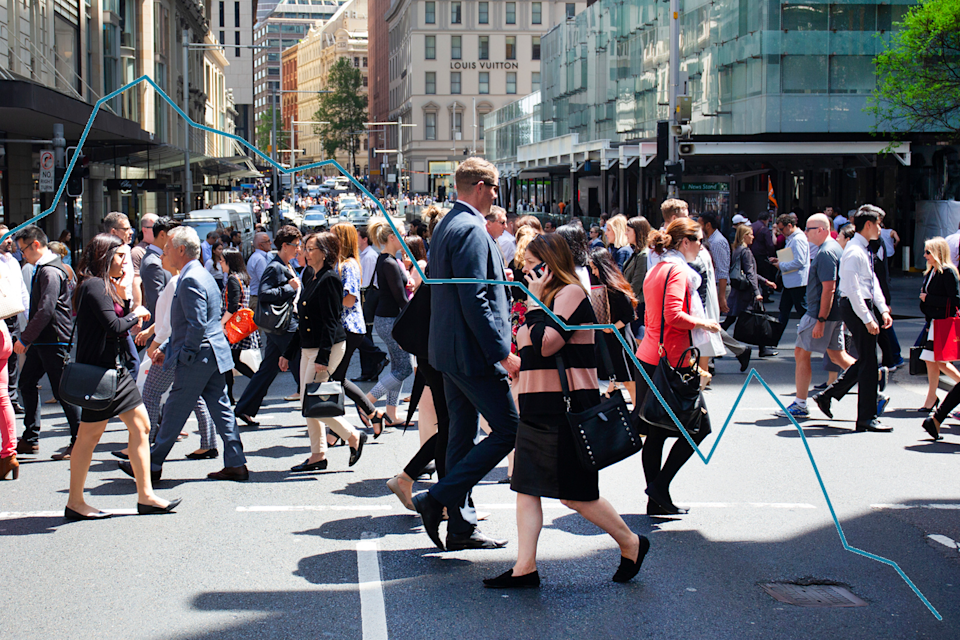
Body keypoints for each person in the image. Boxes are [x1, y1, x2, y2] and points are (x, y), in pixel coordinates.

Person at [483, 234, 649, 589]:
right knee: (525, 487)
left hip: (565, 408)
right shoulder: (543, 299)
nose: (524, 272)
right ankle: (524, 567)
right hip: (536, 405)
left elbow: (546, 345)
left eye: (530, 266)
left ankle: (630, 542)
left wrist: (531, 307)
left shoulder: (571, 294)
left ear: (548, 265)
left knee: (575, 493)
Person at [412, 157, 518, 552]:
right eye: (493, 187)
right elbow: (475, 298)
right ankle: (438, 499)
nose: (495, 194)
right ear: (479, 186)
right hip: (472, 353)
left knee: (461, 434)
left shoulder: (446, 225)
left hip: (449, 351)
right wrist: (500, 351)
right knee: (509, 430)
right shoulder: (471, 229)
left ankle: (460, 525)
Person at [120, 225, 249, 482]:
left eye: (167, 248)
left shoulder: (189, 278)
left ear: (180, 249)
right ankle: (235, 461)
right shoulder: (200, 274)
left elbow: (196, 324)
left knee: (176, 410)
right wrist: (169, 348)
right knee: (221, 409)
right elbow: (195, 323)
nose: (163, 252)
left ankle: (152, 463)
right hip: (211, 352)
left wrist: (181, 354)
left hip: (198, 354)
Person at [65, 233, 179, 519]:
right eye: (119, 257)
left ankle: (146, 495)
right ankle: (75, 502)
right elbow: (114, 326)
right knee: (88, 437)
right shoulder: (93, 286)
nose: (124, 263)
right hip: (99, 374)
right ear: (103, 256)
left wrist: (128, 303)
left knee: (140, 427)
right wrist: (136, 312)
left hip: (114, 373)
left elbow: (113, 322)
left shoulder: (105, 286)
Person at [636, 218, 721, 515]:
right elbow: (673, 314)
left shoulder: (657, 268)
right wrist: (703, 322)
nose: (701, 246)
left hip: (651, 356)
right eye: (698, 240)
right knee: (698, 429)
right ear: (684, 242)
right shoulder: (678, 272)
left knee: (657, 431)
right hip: (672, 360)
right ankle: (659, 489)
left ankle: (655, 500)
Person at [279, 232, 367, 471]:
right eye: (304, 248)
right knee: (309, 404)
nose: (304, 252)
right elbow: (304, 319)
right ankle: (318, 455)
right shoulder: (311, 275)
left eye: (310, 248)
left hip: (327, 347)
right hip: (308, 346)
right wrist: (288, 352)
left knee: (311, 402)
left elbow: (331, 321)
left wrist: (323, 357)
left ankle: (352, 436)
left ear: (325, 252)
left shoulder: (330, 279)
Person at [811, 206, 895, 432]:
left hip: (861, 305)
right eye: (878, 224)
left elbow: (871, 282)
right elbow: (852, 288)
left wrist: (882, 309)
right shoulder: (854, 251)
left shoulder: (863, 248)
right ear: (868, 224)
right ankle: (865, 417)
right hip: (855, 306)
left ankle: (832, 397)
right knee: (869, 363)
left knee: (867, 361)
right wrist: (868, 318)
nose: (880, 228)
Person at [776, 214, 857, 418]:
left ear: (821, 230)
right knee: (838, 355)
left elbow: (829, 288)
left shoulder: (826, 252)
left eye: (809, 229)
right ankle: (873, 384)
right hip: (828, 312)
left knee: (801, 353)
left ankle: (800, 404)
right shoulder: (831, 249)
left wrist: (820, 320)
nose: (806, 233)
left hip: (820, 313)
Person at [13, 225, 82, 459]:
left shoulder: (49, 271)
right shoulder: (46, 268)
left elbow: (46, 308)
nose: (22, 254)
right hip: (46, 339)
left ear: (35, 245)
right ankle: (31, 438)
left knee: (63, 391)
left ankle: (78, 440)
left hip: (53, 339)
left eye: (23, 249)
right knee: (27, 382)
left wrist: (25, 337)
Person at [234, 225, 303, 427]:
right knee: (302, 366)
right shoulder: (275, 267)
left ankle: (244, 408)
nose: (298, 249)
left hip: (282, 326)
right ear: (284, 245)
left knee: (268, 368)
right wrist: (288, 288)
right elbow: (264, 294)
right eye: (295, 245)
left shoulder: (287, 265)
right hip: (285, 326)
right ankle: (319, 409)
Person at [328, 223, 381, 429]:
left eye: (332, 236)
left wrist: (326, 300)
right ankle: (371, 414)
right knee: (335, 378)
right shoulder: (339, 263)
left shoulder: (347, 265)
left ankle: (339, 426)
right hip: (344, 327)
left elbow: (349, 299)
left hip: (348, 327)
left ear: (341, 240)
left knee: (334, 378)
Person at [363, 217, 411, 429]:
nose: (405, 237)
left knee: (398, 367)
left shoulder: (387, 259)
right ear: (392, 237)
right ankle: (366, 402)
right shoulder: (389, 262)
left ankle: (391, 414)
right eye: (402, 233)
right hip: (392, 321)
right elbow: (401, 299)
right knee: (405, 369)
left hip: (388, 320)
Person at [588, 247, 639, 403]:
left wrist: (613, 327)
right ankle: (612, 398)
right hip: (613, 339)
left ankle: (638, 414)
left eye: (595, 268)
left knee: (627, 379)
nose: (594, 272)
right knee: (617, 377)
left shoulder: (615, 289)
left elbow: (630, 315)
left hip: (621, 340)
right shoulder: (606, 287)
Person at [916, 238, 960, 413]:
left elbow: (955, 300)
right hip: (934, 322)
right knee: (931, 360)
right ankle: (931, 396)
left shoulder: (948, 272)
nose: (925, 255)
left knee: (939, 361)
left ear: (937, 253)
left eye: (928, 252)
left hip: (943, 322)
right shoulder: (932, 272)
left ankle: (940, 394)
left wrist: (929, 299)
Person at [221, 248, 260, 406]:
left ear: (230, 262)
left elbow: (233, 306)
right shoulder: (244, 278)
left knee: (229, 362)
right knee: (233, 361)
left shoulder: (232, 279)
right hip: (240, 326)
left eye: (222, 261)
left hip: (232, 327)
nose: (220, 264)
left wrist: (221, 323)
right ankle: (256, 384)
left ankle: (232, 395)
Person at [352, 225, 389, 382]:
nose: (355, 240)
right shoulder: (365, 255)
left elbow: (365, 282)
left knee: (362, 334)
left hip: (367, 298)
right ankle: (370, 370)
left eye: (358, 236)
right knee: (363, 334)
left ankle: (375, 361)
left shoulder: (369, 256)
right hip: (366, 297)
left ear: (365, 239)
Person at [0, 226, 28, 416]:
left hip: (13, 317)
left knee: (13, 360)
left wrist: (29, 315)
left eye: (10, 236)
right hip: (1, 316)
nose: (9, 240)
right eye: (4, 237)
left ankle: (11, 398)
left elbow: (22, 291)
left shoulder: (15, 262)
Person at [769, 213, 810, 338]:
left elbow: (799, 261)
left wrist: (781, 265)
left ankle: (813, 336)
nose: (780, 232)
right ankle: (773, 340)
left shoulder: (798, 239)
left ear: (790, 226)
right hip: (792, 281)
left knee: (802, 311)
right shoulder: (793, 238)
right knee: (785, 311)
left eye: (781, 229)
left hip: (797, 282)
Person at [139, 216, 178, 332]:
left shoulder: (156, 259)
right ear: (162, 235)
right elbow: (158, 303)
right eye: (173, 235)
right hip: (160, 331)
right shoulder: (153, 263)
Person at [621, 217, 651, 332]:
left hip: (639, 308)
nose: (625, 233)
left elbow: (636, 285)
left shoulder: (644, 255)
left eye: (628, 230)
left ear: (638, 232)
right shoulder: (637, 253)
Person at [246, 232, 272, 316]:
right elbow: (265, 280)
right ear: (261, 245)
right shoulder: (260, 259)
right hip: (258, 299)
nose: (270, 243)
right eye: (268, 241)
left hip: (256, 297)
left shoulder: (257, 257)